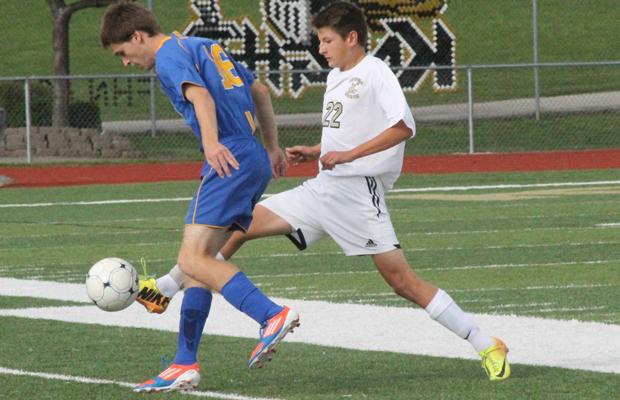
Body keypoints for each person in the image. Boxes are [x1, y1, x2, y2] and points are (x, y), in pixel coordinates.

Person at [144, 0, 510, 382]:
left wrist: (348, 155)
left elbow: (403, 126)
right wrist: (317, 151)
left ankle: (485, 341)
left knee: (403, 282)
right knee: (236, 228)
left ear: (352, 38)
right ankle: (171, 300)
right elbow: (350, 129)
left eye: (326, 40)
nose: (321, 48)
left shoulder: (374, 72)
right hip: (322, 189)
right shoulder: (336, 76)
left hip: (356, 195)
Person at [99, 2, 299, 393]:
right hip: (252, 155)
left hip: (229, 156)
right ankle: (184, 362)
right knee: (196, 268)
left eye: (123, 53)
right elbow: (258, 89)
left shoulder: (169, 56)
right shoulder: (203, 44)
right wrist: (272, 147)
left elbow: (202, 99)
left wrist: (211, 144)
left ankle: (271, 315)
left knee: (194, 259)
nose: (125, 62)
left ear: (137, 36)